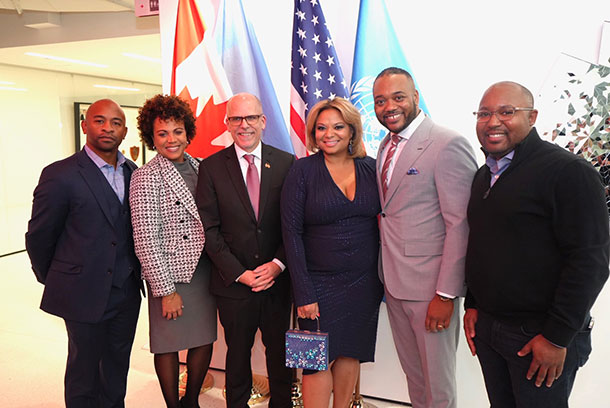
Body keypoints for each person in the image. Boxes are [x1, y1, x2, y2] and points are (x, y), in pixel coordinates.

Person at [464, 81, 610, 408]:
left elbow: (591, 261)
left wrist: (556, 337)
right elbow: (483, 243)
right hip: (490, 328)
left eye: (507, 112)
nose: (493, 122)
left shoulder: (569, 173)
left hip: (539, 336)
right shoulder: (483, 176)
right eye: (484, 113)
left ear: (532, 117)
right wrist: (472, 302)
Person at [25, 99, 143, 407]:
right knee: (84, 372)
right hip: (82, 292)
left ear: (125, 130)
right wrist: (58, 278)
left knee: (117, 368)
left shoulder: (135, 173)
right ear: (85, 126)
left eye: (115, 123)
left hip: (126, 292)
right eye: (99, 121)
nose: (107, 128)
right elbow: (39, 237)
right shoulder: (60, 174)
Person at [373, 67, 477, 408]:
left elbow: (460, 224)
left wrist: (446, 295)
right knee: (415, 378)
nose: (390, 106)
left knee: (438, 385)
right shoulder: (385, 148)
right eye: (380, 100)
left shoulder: (447, 144)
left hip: (431, 290)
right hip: (395, 283)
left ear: (416, 97)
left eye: (398, 97)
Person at [281, 98, 384, 408]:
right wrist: (303, 292)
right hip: (316, 284)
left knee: (351, 351)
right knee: (314, 362)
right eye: (321, 127)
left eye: (338, 127)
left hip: (364, 282)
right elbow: (291, 233)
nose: (329, 134)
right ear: (313, 132)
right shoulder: (302, 170)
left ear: (352, 131)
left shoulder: (371, 167)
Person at [196, 93, 294, 408]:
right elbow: (208, 229)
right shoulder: (210, 168)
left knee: (280, 356)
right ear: (227, 124)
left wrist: (278, 264)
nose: (244, 125)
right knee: (237, 357)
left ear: (263, 121)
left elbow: (292, 225)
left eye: (251, 117)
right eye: (236, 118)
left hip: (276, 282)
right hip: (234, 284)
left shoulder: (286, 163)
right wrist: (240, 274)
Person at [129, 94, 216, 408]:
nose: (171, 139)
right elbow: (146, 239)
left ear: (188, 132)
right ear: (151, 137)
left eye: (177, 131)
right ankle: (172, 405)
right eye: (162, 133)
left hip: (204, 271)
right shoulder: (146, 176)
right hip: (169, 274)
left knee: (204, 338)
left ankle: (191, 400)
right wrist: (166, 291)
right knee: (167, 344)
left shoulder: (202, 167)